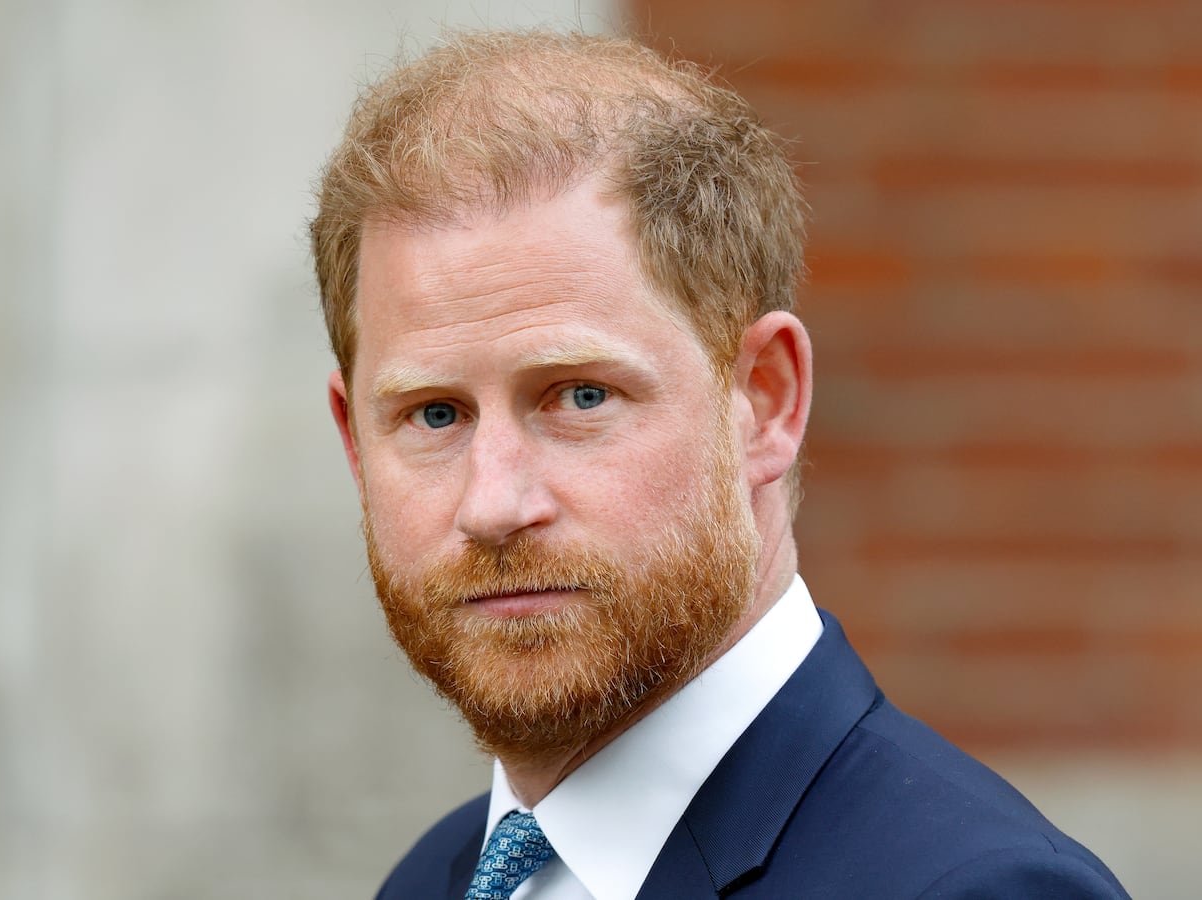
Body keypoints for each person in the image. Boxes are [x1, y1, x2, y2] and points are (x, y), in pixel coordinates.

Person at [311, 29, 1130, 900]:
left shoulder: (975, 890)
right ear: (355, 443)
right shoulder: (432, 883)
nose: (494, 503)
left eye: (579, 396)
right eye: (434, 414)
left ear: (765, 402)